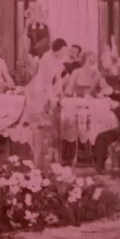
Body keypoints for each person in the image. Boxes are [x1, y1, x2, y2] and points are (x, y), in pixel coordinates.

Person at [23, 38, 69, 169]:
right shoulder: (47, 58)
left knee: (52, 125)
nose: (64, 53)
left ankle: (52, 158)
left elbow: (58, 78)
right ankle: (38, 159)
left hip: (50, 89)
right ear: (57, 49)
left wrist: (60, 93)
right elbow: (46, 82)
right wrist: (52, 98)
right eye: (63, 51)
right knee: (40, 125)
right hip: (39, 90)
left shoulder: (58, 59)